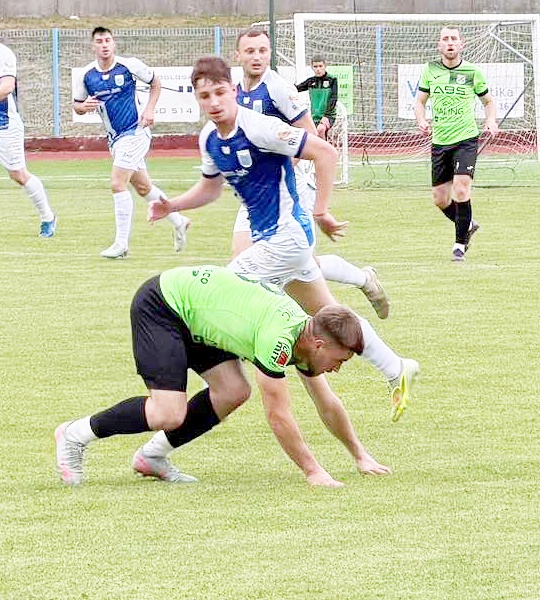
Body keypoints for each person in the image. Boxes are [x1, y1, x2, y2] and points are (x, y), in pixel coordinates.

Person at [147, 56, 419, 426]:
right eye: (205, 96)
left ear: (234, 91)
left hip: (286, 239)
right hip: (275, 241)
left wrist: (321, 210)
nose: (214, 102)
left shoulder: (259, 127)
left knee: (221, 291)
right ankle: (395, 367)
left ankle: (211, 381)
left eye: (220, 92)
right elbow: (210, 188)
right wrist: (173, 205)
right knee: (327, 311)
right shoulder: (209, 138)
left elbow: (325, 152)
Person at [54, 265, 378, 487]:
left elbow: (326, 402)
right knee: (167, 413)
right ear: (320, 344)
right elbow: (278, 415)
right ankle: (74, 434)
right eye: (340, 359)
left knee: (233, 390)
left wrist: (360, 456)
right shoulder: (279, 338)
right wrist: (313, 472)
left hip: (199, 314)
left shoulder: (306, 338)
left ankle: (152, 457)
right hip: (164, 305)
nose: (338, 368)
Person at [233, 28, 389, 320]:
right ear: (237, 55)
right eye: (250, 51)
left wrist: (280, 170)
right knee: (245, 264)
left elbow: (309, 132)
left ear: (269, 54)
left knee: (299, 269)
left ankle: (359, 288)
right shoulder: (236, 91)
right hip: (258, 194)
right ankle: (361, 281)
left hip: (291, 188)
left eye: (263, 51)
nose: (257, 57)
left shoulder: (278, 88)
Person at [73, 26, 190, 258]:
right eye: (99, 41)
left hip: (136, 132)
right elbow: (77, 104)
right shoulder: (87, 75)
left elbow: (156, 83)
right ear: (93, 46)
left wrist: (150, 109)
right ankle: (179, 220)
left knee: (118, 183)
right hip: (115, 139)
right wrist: (83, 107)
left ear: (114, 43)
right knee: (144, 187)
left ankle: (121, 244)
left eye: (108, 40)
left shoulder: (129, 65)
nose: (104, 45)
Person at [413, 26, 497, 262]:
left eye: (454, 39)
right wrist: (421, 120)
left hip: (466, 138)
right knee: (440, 199)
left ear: (461, 44)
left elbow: (489, 102)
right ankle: (467, 224)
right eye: (445, 39)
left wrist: (490, 120)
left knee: (461, 189)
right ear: (439, 45)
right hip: (440, 141)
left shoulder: (473, 72)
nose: (450, 42)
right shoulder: (430, 70)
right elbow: (420, 102)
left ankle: (459, 245)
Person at [0, 41, 56, 237]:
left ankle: (48, 217)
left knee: (19, 174)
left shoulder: (4, 53)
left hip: (4, 124)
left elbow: (7, 87)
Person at [294, 55, 339, 139]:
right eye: (315, 66)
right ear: (312, 67)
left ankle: (324, 147)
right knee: (311, 135)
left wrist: (326, 115)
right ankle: (324, 146)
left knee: (320, 129)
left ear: (325, 66)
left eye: (320, 66)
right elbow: (296, 89)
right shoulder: (311, 81)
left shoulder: (332, 80)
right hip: (314, 116)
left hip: (328, 115)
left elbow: (334, 98)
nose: (318, 69)